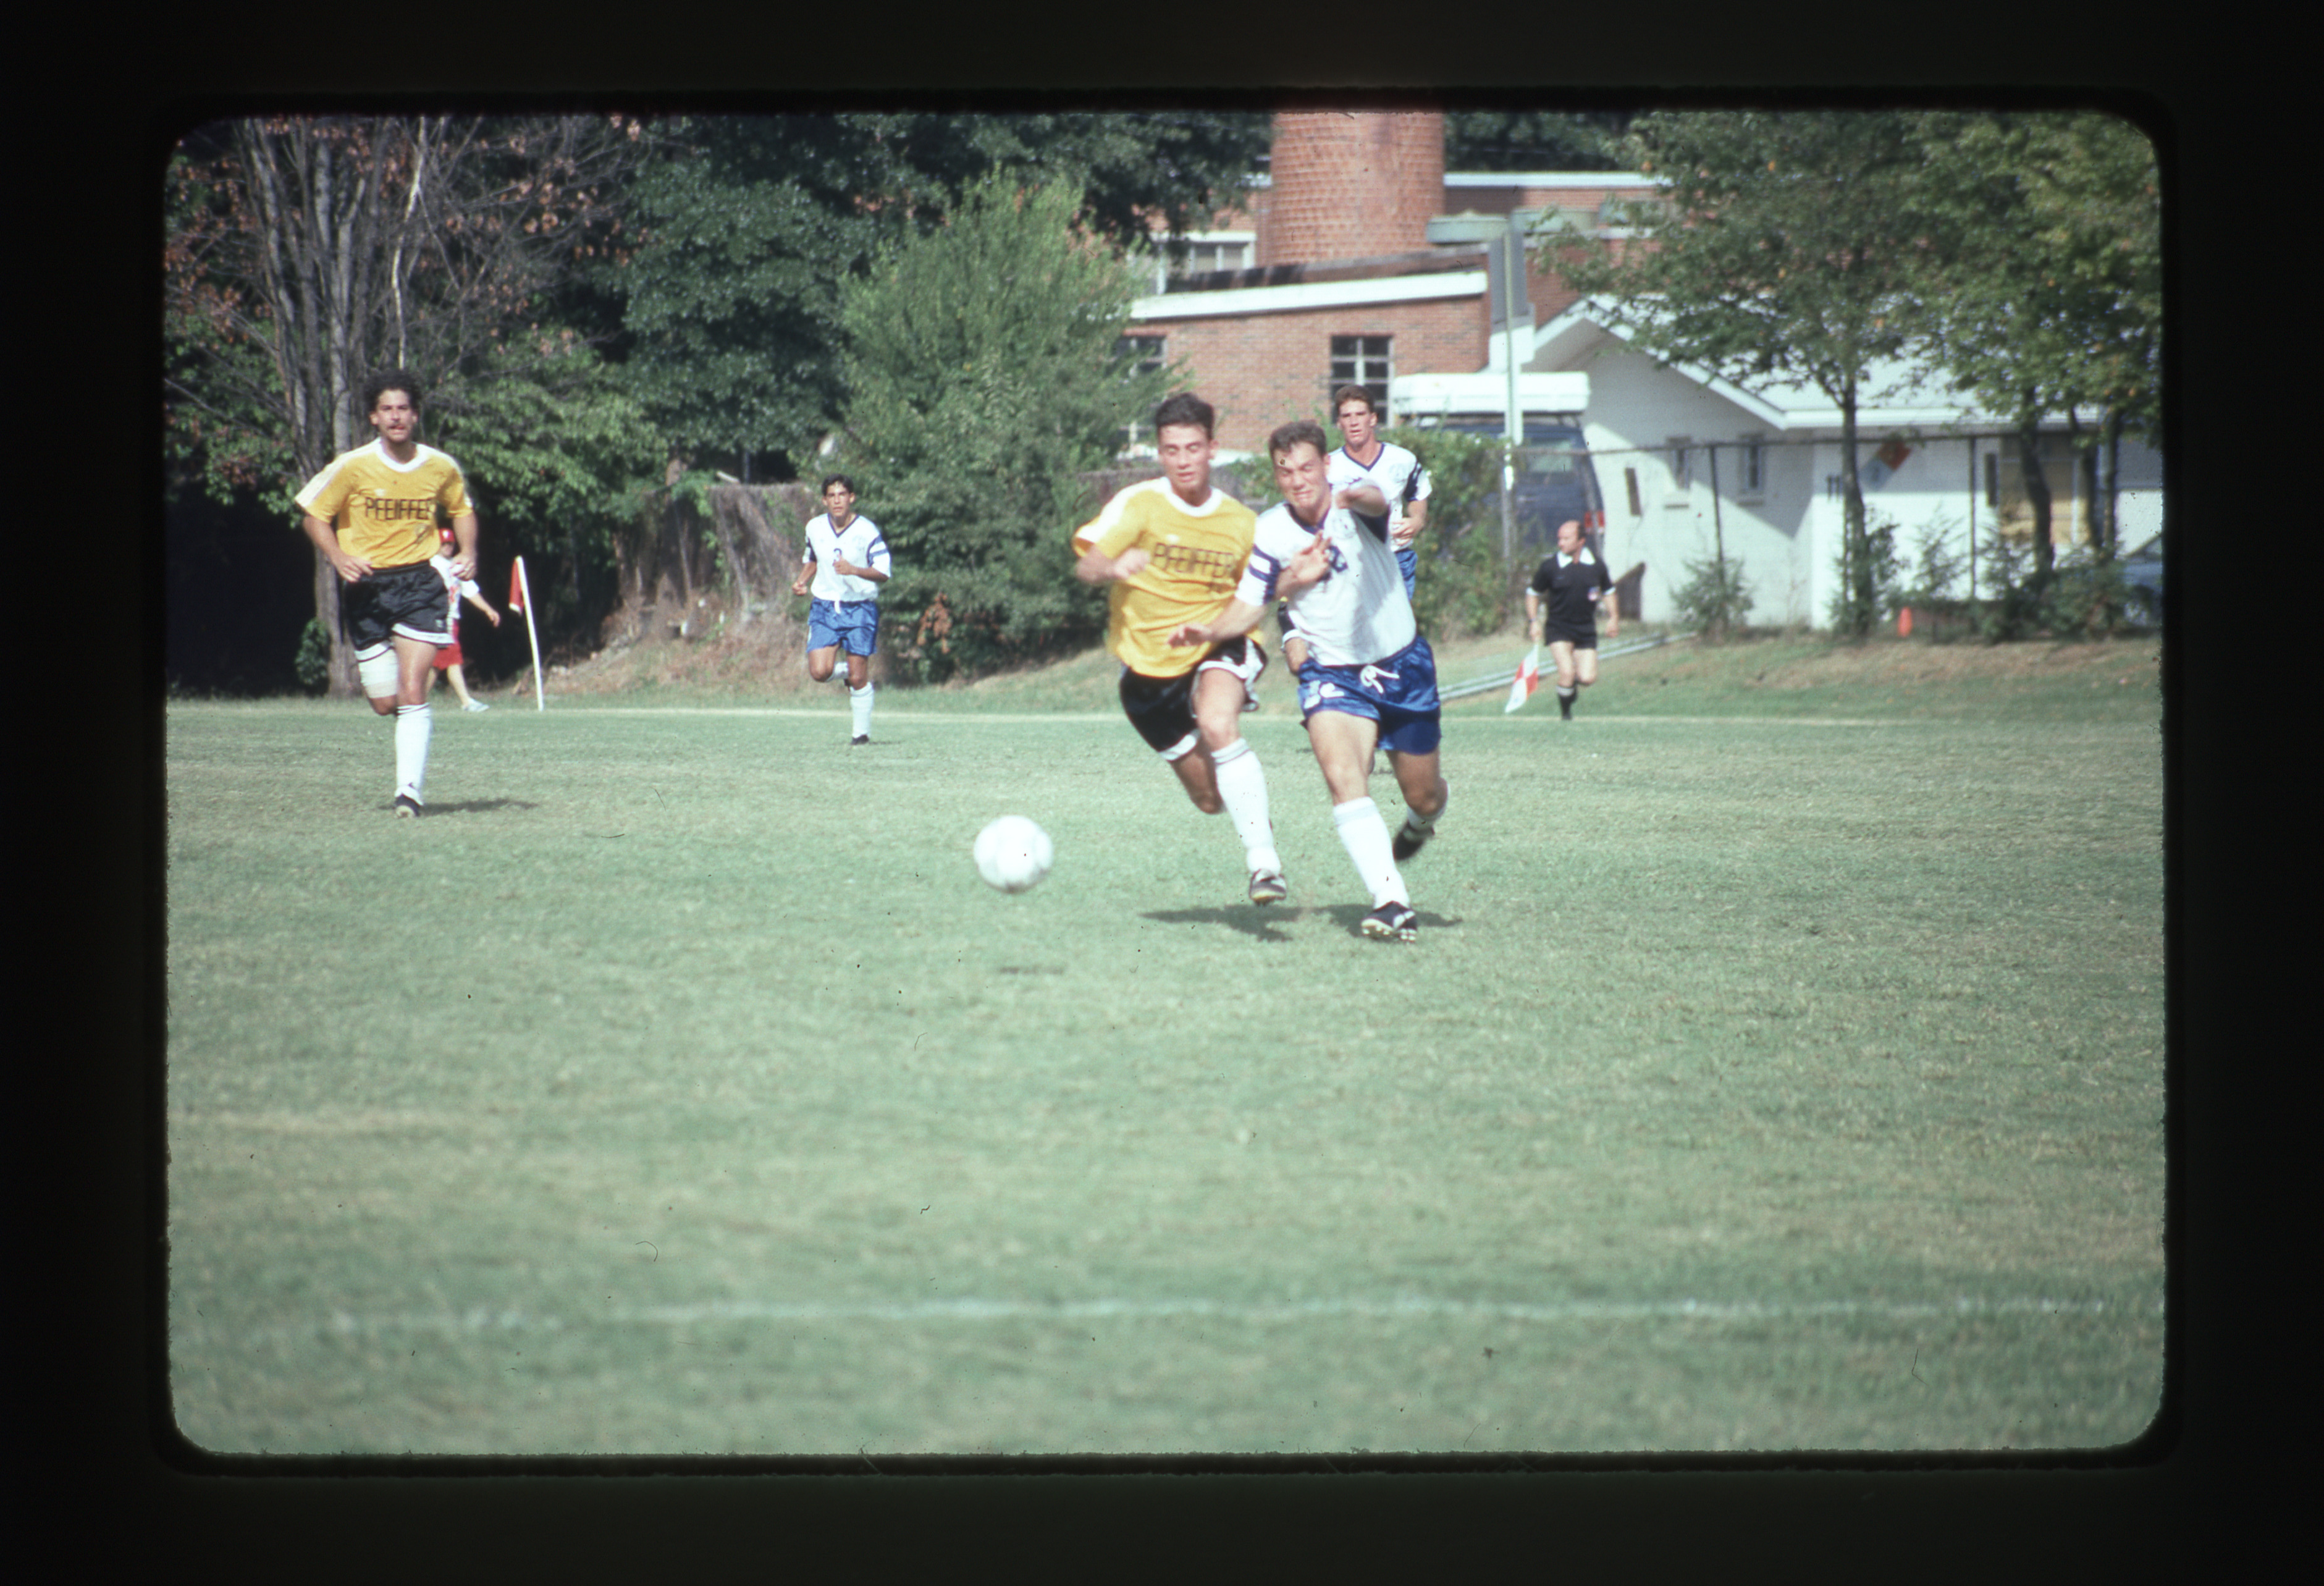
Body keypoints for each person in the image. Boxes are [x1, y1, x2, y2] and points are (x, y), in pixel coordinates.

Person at [1169, 419, 1449, 943]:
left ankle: (1420, 820)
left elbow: (1377, 501)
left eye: (1305, 468)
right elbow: (1251, 602)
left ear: (1325, 464)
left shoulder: (1356, 503)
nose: (1297, 480)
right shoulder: (1270, 531)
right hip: (1332, 673)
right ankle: (1392, 901)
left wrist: (1357, 496)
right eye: (1285, 471)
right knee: (1343, 777)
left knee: (1425, 794)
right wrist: (1209, 630)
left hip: (1403, 665)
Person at [1072, 392, 1288, 905]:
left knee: (1217, 721)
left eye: (1193, 448)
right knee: (1211, 800)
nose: (1184, 460)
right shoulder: (1139, 505)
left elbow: (1259, 593)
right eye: (1172, 450)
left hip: (1221, 641)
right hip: (1147, 673)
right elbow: (1087, 565)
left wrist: (1289, 584)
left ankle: (1265, 865)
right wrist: (1114, 566)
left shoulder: (1241, 522)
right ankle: (1250, 807)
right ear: (1160, 452)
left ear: (1212, 448)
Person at [295, 370, 479, 817]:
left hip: (420, 583)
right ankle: (414, 723)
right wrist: (338, 557)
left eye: (404, 409)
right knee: (384, 703)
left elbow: (461, 510)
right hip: (367, 588)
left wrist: (469, 551)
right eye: (387, 409)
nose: (396, 417)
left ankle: (408, 794)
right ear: (374, 417)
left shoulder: (440, 466)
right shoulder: (352, 465)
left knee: (413, 688)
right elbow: (314, 516)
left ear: (416, 415)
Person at [788, 475, 891, 744]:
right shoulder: (815, 527)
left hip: (860, 608)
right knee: (819, 672)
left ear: (851, 498)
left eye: (842, 495)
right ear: (824, 500)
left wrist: (854, 570)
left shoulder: (866, 530)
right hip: (825, 607)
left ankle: (860, 736)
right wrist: (802, 581)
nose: (837, 501)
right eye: (832, 496)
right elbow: (813, 558)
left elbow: (883, 572)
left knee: (858, 679)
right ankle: (851, 671)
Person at [1525, 518, 1621, 720]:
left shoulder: (1596, 566)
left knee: (1587, 678)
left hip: (1586, 629)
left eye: (1566, 539)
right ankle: (1566, 715)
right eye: (1559, 539)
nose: (1561, 543)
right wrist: (1533, 622)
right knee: (1567, 672)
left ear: (1581, 541)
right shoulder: (1551, 567)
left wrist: (1614, 618)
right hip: (1558, 628)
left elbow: (1608, 591)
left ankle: (1568, 690)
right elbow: (1533, 594)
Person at [429, 529, 502, 711]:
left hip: (452, 619)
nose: (447, 547)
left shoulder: (457, 565)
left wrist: (488, 609)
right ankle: (466, 702)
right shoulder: (431, 564)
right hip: (439, 619)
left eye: (450, 543)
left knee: (438, 663)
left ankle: (414, 702)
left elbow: (470, 591)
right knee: (453, 659)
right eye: (444, 543)